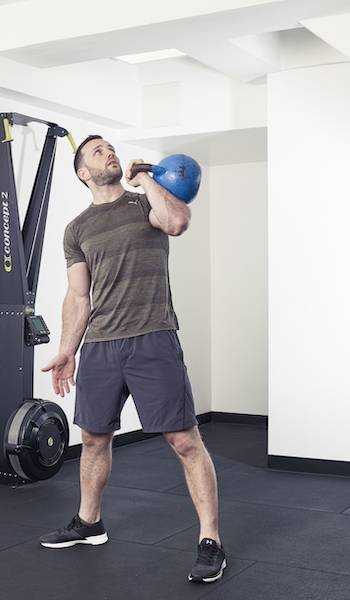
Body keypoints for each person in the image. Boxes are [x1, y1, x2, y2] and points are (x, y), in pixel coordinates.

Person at [39, 135, 225, 584]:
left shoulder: (147, 203)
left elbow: (177, 222)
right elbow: (78, 296)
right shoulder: (76, 229)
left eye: (110, 148)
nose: (109, 153)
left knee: (184, 440)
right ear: (83, 173)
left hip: (152, 338)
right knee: (94, 438)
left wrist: (144, 177)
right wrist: (68, 349)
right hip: (101, 346)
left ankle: (211, 540)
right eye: (97, 152)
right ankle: (89, 522)